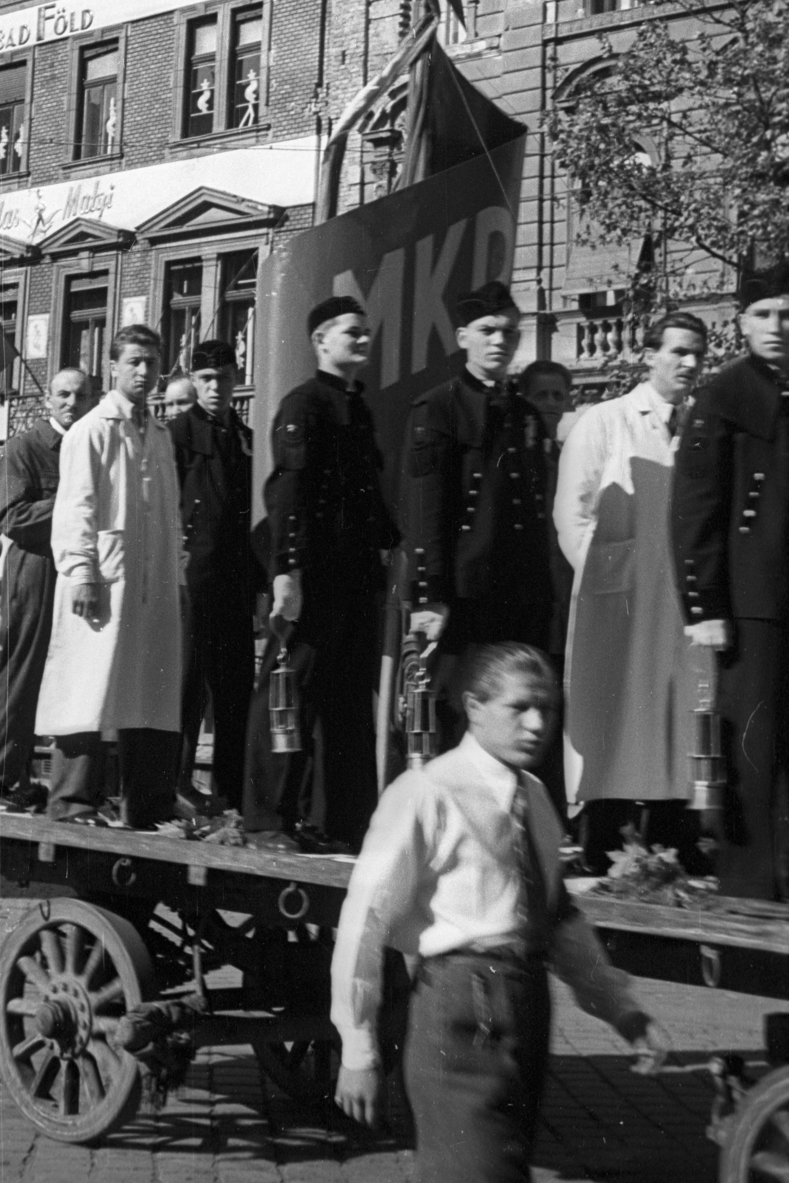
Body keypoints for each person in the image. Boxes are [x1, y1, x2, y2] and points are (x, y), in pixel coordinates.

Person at [332, 640, 667, 1183]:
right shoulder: (427, 793)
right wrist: (358, 1049)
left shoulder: (534, 796)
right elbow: (365, 924)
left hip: (528, 1004)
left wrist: (622, 1010)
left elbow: (557, 919)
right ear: (474, 707)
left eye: (548, 708)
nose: (537, 723)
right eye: (520, 707)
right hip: (459, 1009)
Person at [243, 295, 400, 852]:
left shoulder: (357, 410)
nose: (362, 340)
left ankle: (342, 824)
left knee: (349, 704)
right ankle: (267, 820)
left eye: (365, 332)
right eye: (351, 332)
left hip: (355, 581)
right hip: (311, 577)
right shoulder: (303, 405)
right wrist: (285, 571)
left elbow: (368, 500)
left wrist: (394, 546)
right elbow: (289, 493)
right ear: (321, 341)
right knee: (288, 692)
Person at [554, 312, 708, 871]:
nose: (689, 364)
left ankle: (672, 836)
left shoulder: (699, 425)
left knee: (674, 710)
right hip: (617, 599)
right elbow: (572, 510)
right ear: (649, 354)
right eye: (678, 352)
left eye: (697, 354)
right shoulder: (606, 420)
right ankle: (605, 840)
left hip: (678, 598)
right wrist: (605, 578)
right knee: (615, 713)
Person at [36, 325, 184, 828]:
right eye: (135, 362)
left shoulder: (160, 436)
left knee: (151, 690)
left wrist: (176, 579)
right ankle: (73, 803)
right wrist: (81, 572)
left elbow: (171, 515)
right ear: (114, 368)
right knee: (89, 684)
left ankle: (145, 807)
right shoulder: (93, 429)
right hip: (105, 578)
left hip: (154, 583)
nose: (145, 373)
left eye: (152, 363)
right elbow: (76, 505)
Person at [671, 267, 789, 899]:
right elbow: (695, 504)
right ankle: (748, 888)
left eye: (787, 315)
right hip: (751, 601)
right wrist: (704, 603)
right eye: (765, 314)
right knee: (753, 748)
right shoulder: (722, 395)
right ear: (741, 322)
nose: (778, 327)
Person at [402, 281, 553, 746]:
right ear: (462, 336)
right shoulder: (438, 407)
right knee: (457, 708)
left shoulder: (525, 413)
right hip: (463, 594)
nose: (500, 341)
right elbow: (425, 508)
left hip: (519, 589)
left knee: (515, 707)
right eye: (488, 330)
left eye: (510, 332)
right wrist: (429, 596)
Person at [0, 368, 91, 807]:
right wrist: (75, 502)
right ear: (47, 401)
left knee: (73, 677)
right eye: (62, 394)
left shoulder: (89, 446)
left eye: (80, 395)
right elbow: (13, 518)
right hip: (36, 568)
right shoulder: (24, 447)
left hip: (76, 570)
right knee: (23, 670)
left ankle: (36, 783)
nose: (71, 402)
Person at [170, 339, 262, 813]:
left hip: (235, 578)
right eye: (206, 380)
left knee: (234, 687)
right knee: (188, 682)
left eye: (224, 378)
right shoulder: (178, 434)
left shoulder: (244, 436)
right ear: (195, 381)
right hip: (193, 576)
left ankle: (230, 789)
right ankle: (178, 782)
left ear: (234, 378)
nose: (215, 388)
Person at [519, 360, 574, 819]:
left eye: (559, 396)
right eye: (543, 396)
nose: (552, 405)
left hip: (565, 598)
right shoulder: (517, 457)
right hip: (531, 597)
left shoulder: (567, 455)